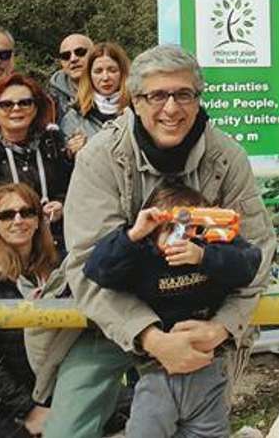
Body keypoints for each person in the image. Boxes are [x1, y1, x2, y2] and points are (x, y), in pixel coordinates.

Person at [27, 44, 275, 438]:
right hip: (110, 315)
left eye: (183, 94)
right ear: (135, 101)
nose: (171, 109)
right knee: (69, 428)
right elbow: (85, 263)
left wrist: (224, 328)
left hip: (196, 316)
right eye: (157, 95)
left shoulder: (227, 157)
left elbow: (259, 250)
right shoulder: (100, 156)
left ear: (198, 98)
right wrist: (149, 337)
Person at [83, 182, 263, 437]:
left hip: (208, 371)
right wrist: (133, 235)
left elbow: (248, 263)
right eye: (173, 228)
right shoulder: (143, 258)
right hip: (156, 371)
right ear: (153, 233)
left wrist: (204, 256)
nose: (184, 237)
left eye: (193, 228)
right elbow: (98, 271)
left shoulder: (210, 252)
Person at [0, 183, 60, 437]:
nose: (18, 220)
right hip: (4, 411)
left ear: (39, 220)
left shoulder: (59, 273)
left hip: (59, 396)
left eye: (26, 212)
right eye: (7, 215)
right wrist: (30, 410)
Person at [0, 74, 68, 246]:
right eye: (6, 105)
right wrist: (5, 216)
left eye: (25, 103)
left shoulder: (52, 145)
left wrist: (61, 206)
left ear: (36, 108)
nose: (16, 109)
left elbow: (70, 189)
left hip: (50, 248)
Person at [61, 42, 131, 158]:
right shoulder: (74, 118)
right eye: (98, 71)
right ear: (89, 75)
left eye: (112, 70)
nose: (105, 77)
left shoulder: (138, 110)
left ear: (123, 72)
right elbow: (63, 170)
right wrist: (70, 154)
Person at [48, 34, 93, 123]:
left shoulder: (117, 89)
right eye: (66, 56)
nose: (73, 59)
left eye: (80, 52)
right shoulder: (52, 102)